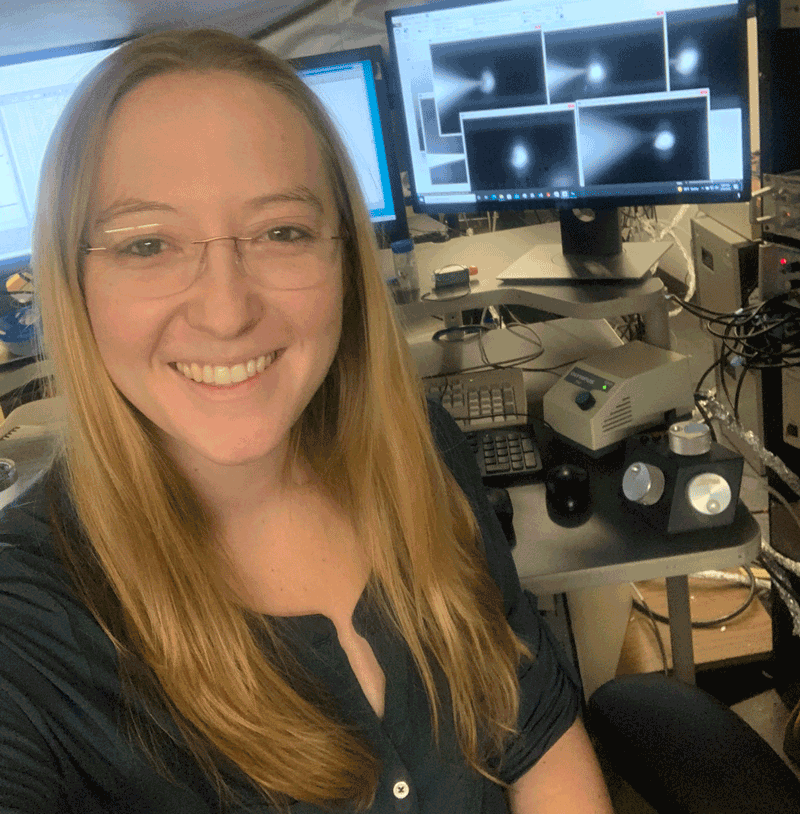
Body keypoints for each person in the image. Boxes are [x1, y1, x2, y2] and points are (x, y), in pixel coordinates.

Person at [0, 29, 613, 813]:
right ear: (71, 279)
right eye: (148, 243)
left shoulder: (417, 446)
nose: (226, 311)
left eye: (282, 232)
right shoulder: (26, 630)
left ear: (345, 258)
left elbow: (536, 736)